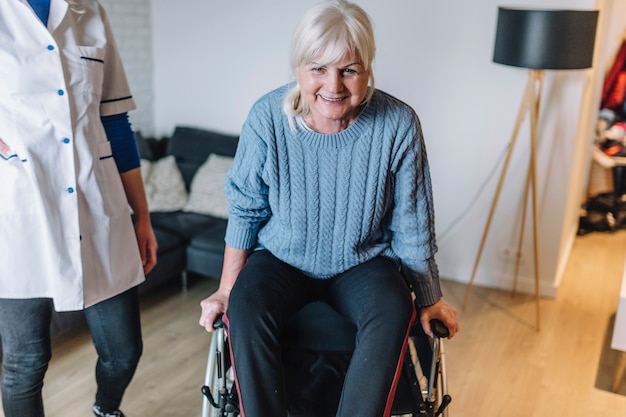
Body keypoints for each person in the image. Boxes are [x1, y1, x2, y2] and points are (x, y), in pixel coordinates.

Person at [199, 1, 459, 416]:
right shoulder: (267, 117)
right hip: (282, 260)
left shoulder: (398, 124)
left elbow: (412, 223)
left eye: (349, 69)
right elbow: (246, 208)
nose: (333, 85)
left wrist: (429, 298)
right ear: (298, 68)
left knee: (394, 306)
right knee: (246, 303)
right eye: (318, 68)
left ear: (368, 69)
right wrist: (227, 289)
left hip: (362, 263)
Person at [0, 1, 157, 417]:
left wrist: (141, 215)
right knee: (23, 365)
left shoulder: (90, 11)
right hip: (18, 216)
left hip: (98, 207)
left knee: (124, 350)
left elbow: (116, 122)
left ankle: (106, 409)